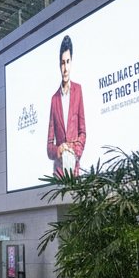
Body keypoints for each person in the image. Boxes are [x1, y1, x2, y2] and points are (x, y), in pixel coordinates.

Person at [47, 33, 86, 176]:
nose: (65, 68)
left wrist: (73, 150)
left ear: (72, 62)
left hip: (74, 171)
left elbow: (82, 132)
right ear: (59, 64)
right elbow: (49, 146)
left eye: (68, 62)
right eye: (62, 63)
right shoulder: (54, 99)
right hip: (58, 174)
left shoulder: (78, 91)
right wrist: (59, 149)